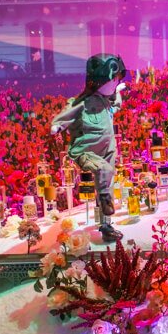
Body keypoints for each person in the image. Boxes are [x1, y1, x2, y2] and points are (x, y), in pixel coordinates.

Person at [51, 54, 127, 242]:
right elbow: (68, 113)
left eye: (117, 80)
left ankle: (106, 225)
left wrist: (118, 91)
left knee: (107, 181)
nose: (114, 83)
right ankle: (105, 203)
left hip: (108, 149)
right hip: (86, 151)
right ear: (99, 80)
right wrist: (58, 125)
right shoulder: (83, 103)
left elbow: (115, 106)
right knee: (103, 171)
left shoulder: (106, 101)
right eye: (113, 80)